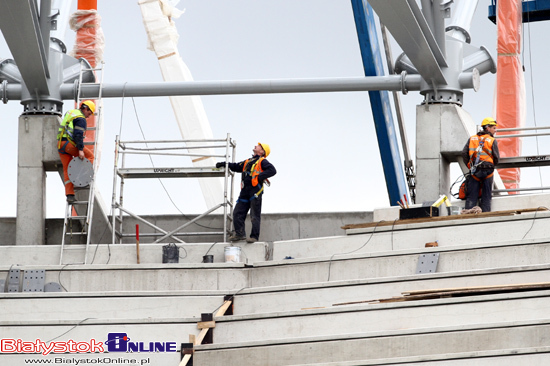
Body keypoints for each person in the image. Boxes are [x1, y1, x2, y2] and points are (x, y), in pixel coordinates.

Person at [216, 142, 276, 243]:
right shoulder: (248, 161)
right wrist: (224, 164)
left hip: (255, 192)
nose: (255, 146)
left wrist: (259, 177)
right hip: (245, 192)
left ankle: (254, 237)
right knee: (237, 213)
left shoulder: (262, 161)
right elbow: (236, 166)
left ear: (262, 151)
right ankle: (240, 234)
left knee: (254, 215)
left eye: (259, 146)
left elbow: (272, 170)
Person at [57, 100, 96, 203]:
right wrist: (80, 150)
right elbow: (78, 135)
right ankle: (84, 178)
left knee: (67, 169)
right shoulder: (81, 119)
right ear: (85, 108)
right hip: (69, 145)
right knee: (90, 156)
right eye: (89, 112)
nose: (89, 116)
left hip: (61, 145)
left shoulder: (71, 113)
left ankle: (70, 195)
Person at [461, 117, 500, 212]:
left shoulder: (472, 139)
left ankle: (469, 215)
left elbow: (464, 154)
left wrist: (470, 166)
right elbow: (496, 157)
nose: (495, 130)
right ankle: (485, 214)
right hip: (488, 170)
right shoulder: (491, 140)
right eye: (494, 128)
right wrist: (492, 165)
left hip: (475, 170)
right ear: (487, 128)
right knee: (486, 195)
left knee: (471, 196)